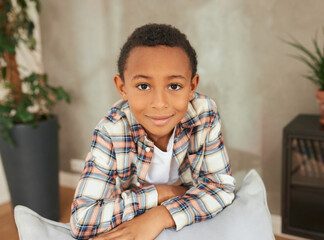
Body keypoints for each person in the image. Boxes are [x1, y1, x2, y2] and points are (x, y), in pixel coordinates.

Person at [70, 23, 236, 240]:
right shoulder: (111, 131)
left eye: (174, 86)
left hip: (180, 221)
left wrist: (159, 216)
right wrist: (162, 193)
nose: (159, 103)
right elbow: (83, 220)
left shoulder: (204, 114)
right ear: (122, 88)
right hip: (137, 218)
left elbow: (222, 187)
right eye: (143, 86)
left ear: (192, 86)